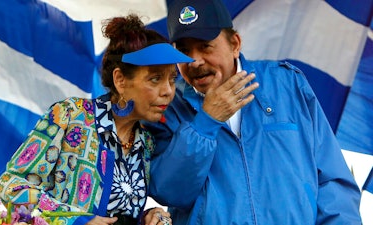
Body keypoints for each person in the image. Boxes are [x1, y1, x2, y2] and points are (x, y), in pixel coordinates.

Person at [143, 0, 362, 224]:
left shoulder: (287, 84)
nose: (195, 61)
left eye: (205, 45)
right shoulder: (167, 106)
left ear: (235, 44)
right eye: (184, 50)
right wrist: (206, 122)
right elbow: (171, 191)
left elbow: (332, 180)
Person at [0, 14, 193, 225]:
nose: (168, 91)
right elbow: (9, 184)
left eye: (172, 79)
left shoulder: (146, 143)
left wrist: (148, 217)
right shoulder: (70, 116)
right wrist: (77, 220)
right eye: (155, 79)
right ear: (120, 80)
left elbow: (116, 212)